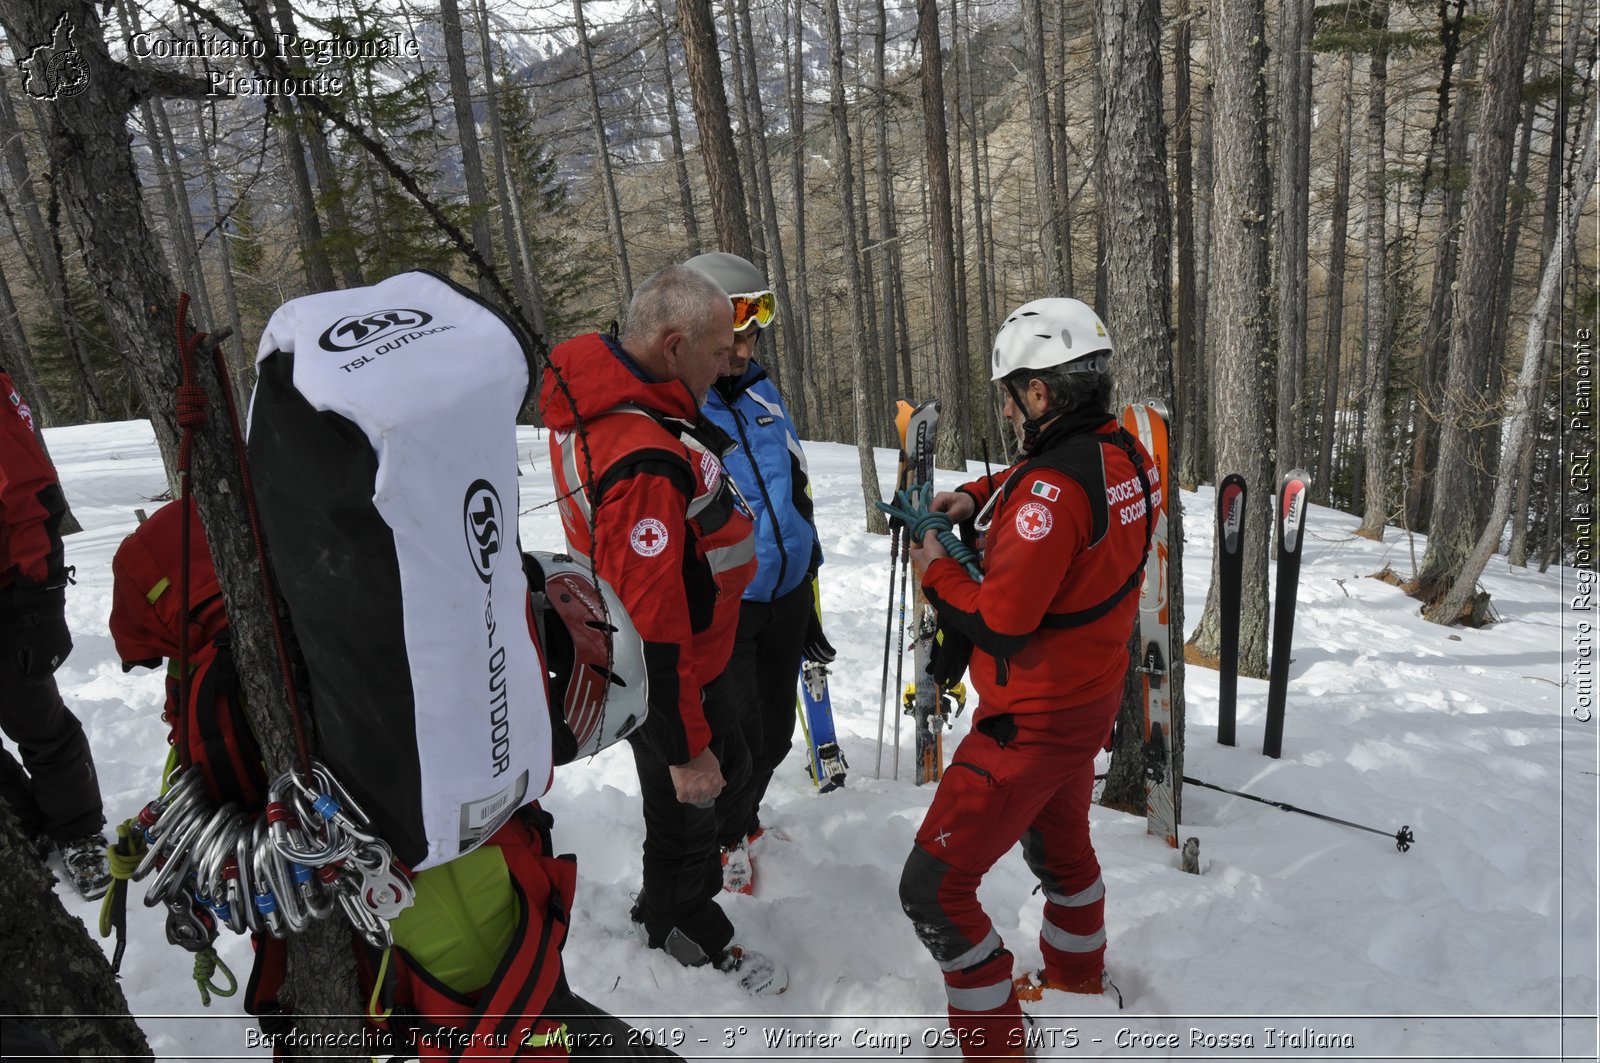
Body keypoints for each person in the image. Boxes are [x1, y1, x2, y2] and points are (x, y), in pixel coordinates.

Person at [895, 299, 1155, 1058]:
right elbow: (1046, 476)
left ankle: (997, 1044)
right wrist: (980, 496)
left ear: (1040, 394)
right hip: (1085, 704)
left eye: (1013, 394)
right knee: (1061, 847)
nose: (1010, 410)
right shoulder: (1125, 455)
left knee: (934, 889)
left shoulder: (1052, 495)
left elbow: (1003, 619)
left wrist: (938, 573)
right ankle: (1078, 974)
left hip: (1030, 722)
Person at [539, 264, 784, 995]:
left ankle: (672, 899)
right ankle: (685, 929)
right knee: (690, 801)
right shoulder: (642, 455)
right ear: (674, 345)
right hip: (672, 677)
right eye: (717, 351)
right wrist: (683, 747)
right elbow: (651, 619)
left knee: (728, 772)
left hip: (691, 665)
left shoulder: (628, 398)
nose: (729, 363)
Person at [687, 252, 832, 886]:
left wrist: (809, 583)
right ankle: (719, 840)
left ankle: (743, 818)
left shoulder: (762, 392)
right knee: (735, 741)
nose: (744, 350)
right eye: (732, 338)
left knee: (773, 737)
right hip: (729, 605)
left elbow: (795, 489)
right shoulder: (684, 413)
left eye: (752, 335)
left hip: (786, 592)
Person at [0, 362, 109, 900]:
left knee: (37, 722)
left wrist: (40, 597)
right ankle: (22, 824)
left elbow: (31, 496)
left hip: (7, 597)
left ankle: (79, 831)